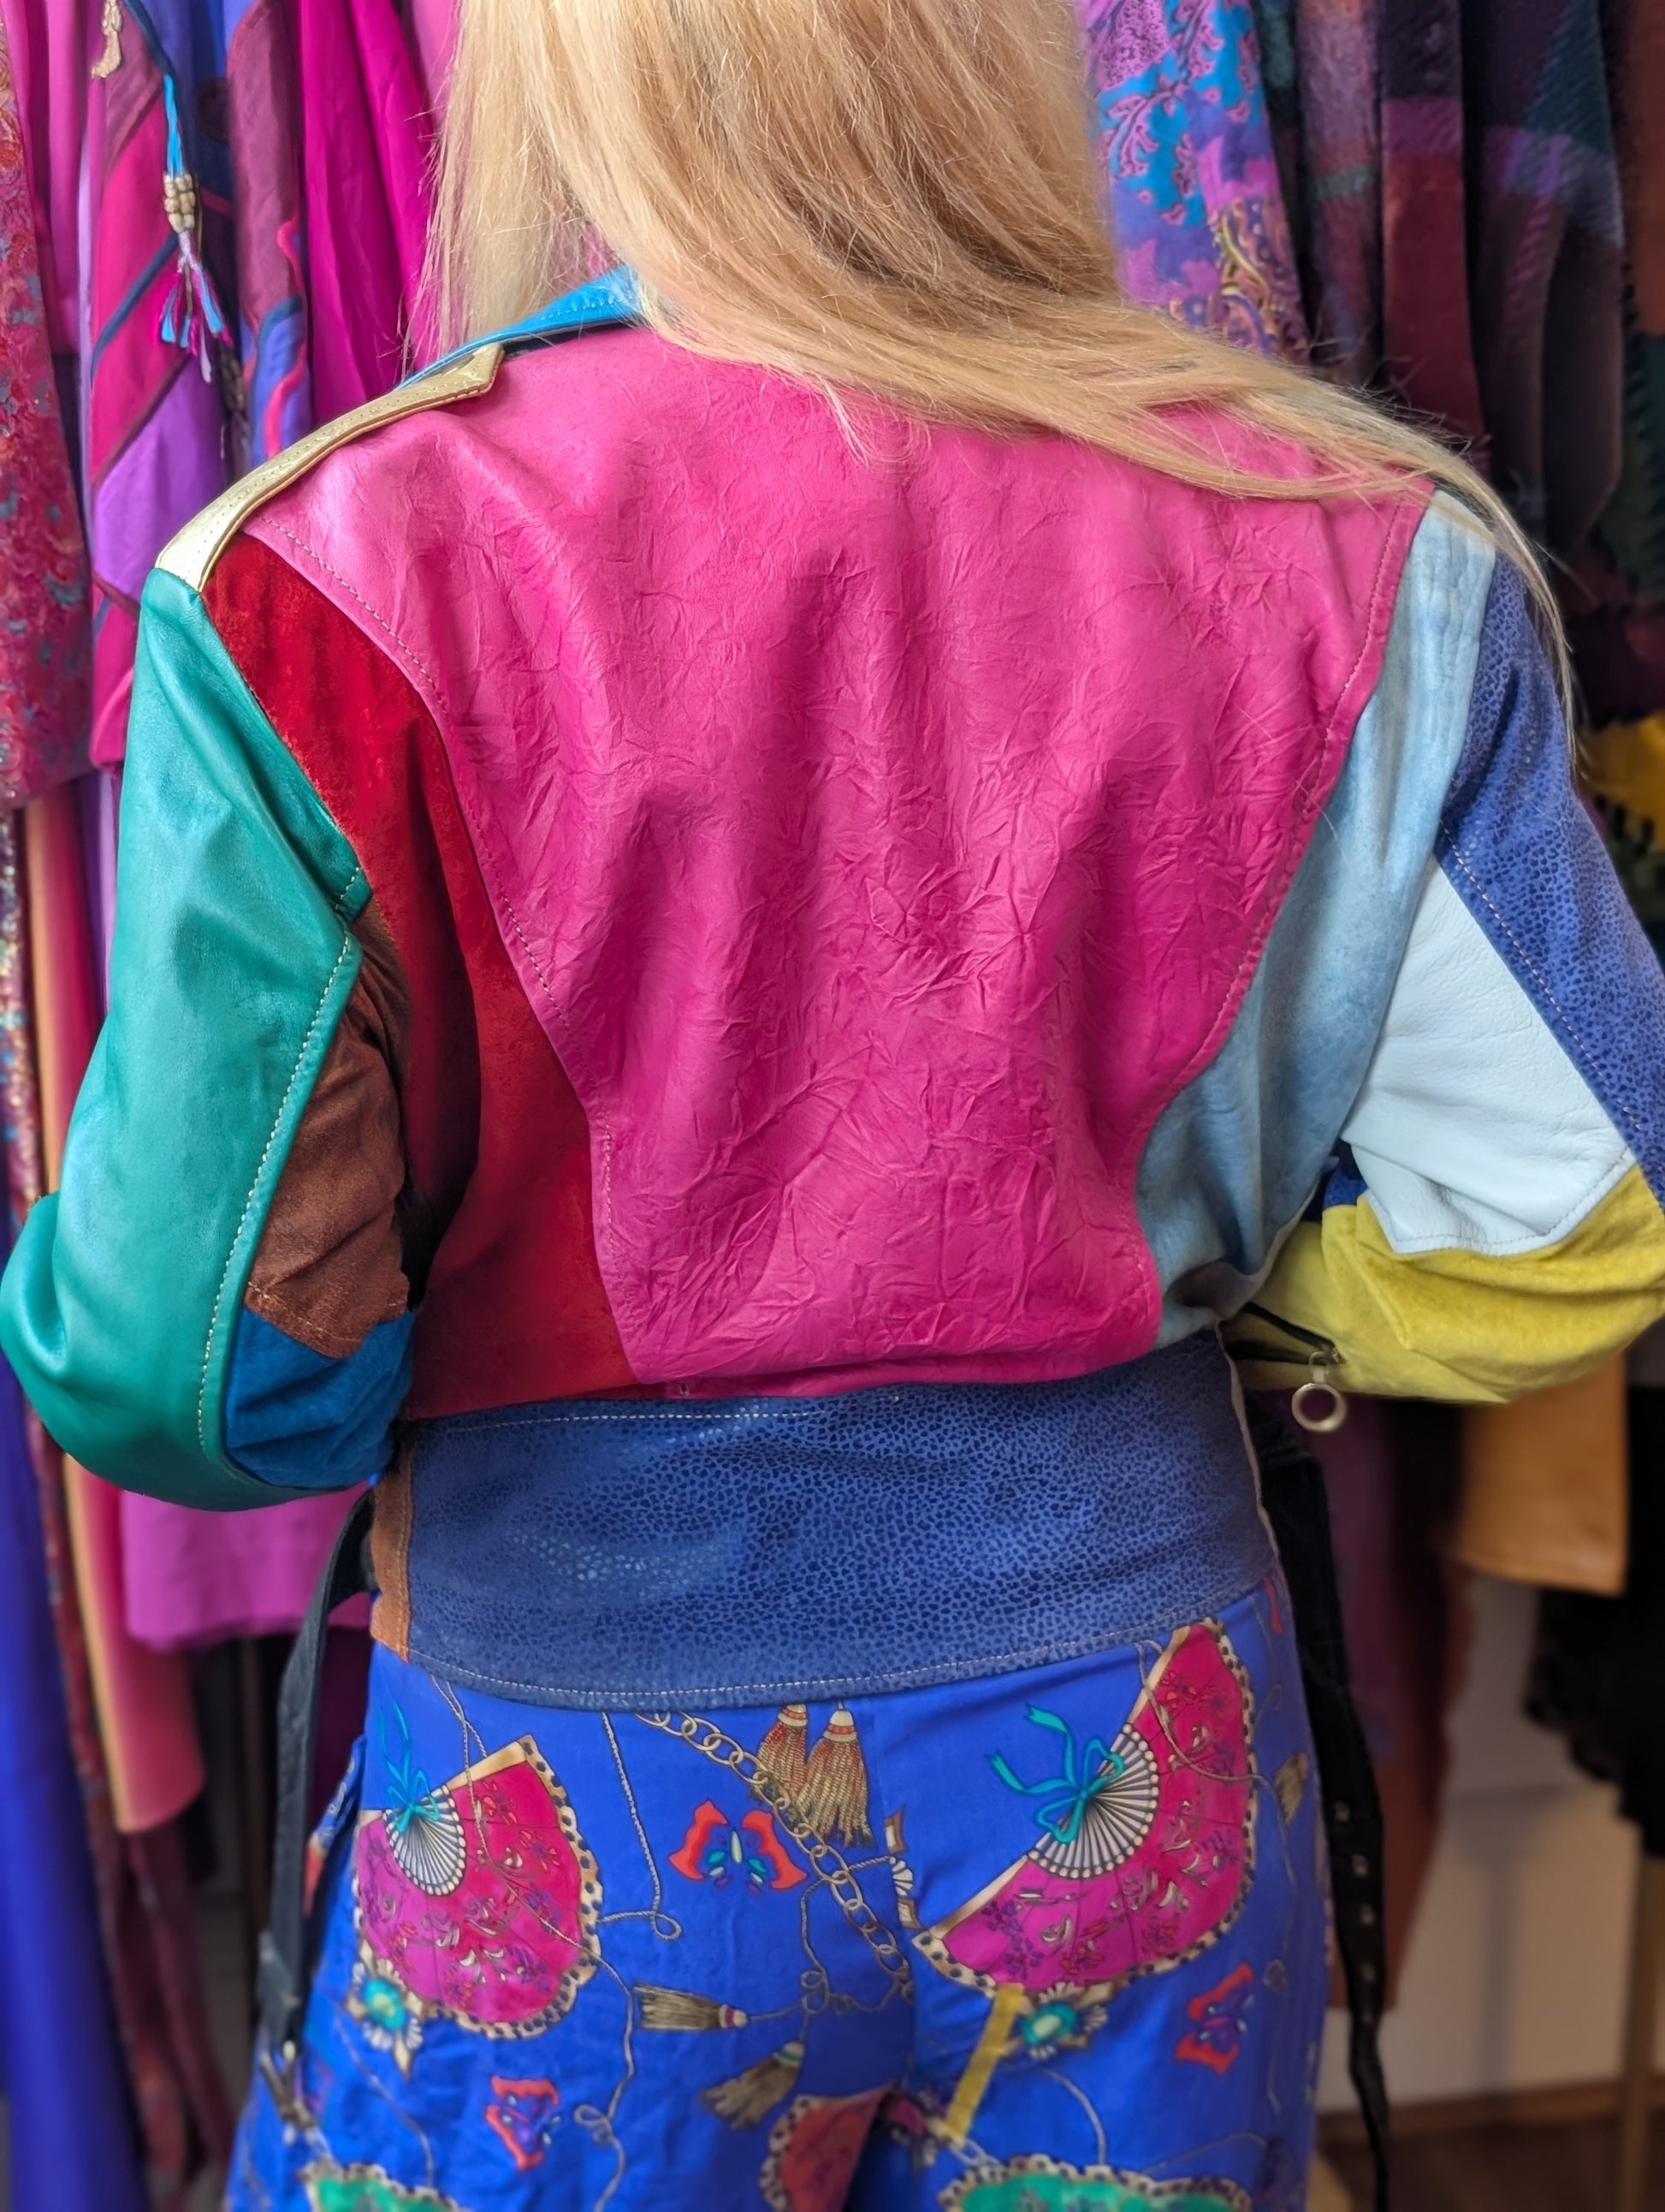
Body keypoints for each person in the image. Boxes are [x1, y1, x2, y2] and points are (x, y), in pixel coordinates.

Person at [8, 1, 1665, 2205]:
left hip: (571, 1775)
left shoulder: (318, 575)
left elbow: (178, 1363)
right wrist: (1200, 1293)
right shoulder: (1358, 538)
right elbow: (1573, 1222)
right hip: (1137, 1728)